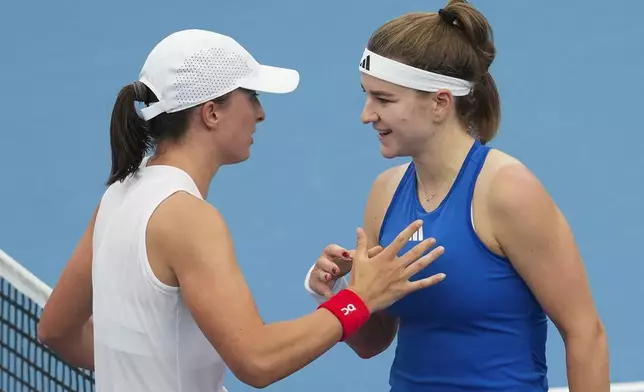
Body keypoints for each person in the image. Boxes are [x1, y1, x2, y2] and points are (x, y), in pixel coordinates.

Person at [36, 29, 449, 392]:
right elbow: (258, 361)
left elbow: (56, 331)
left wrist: (153, 372)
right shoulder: (188, 218)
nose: (261, 112)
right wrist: (358, 298)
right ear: (211, 112)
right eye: (250, 96)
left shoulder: (119, 195)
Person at [304, 1, 610, 391]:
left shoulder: (507, 191)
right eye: (367, 96)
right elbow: (374, 341)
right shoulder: (385, 193)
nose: (367, 114)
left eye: (383, 99)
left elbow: (586, 333)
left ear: (439, 103)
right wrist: (327, 291)